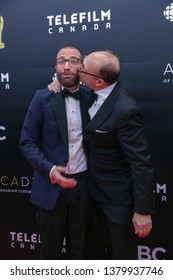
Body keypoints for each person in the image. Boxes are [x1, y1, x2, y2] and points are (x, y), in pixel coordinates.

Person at [77, 51, 154, 259]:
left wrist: (143, 210)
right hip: (92, 194)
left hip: (118, 201)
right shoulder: (91, 93)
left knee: (120, 256)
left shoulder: (125, 110)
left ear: (99, 81)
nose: (77, 68)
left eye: (82, 67)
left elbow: (141, 163)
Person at [19, 45, 94, 260]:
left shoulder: (93, 97)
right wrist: (50, 169)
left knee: (80, 252)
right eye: (62, 61)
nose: (67, 66)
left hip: (84, 188)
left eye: (73, 60)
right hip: (50, 188)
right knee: (49, 253)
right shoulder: (42, 98)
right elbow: (27, 142)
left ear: (82, 65)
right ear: (56, 66)